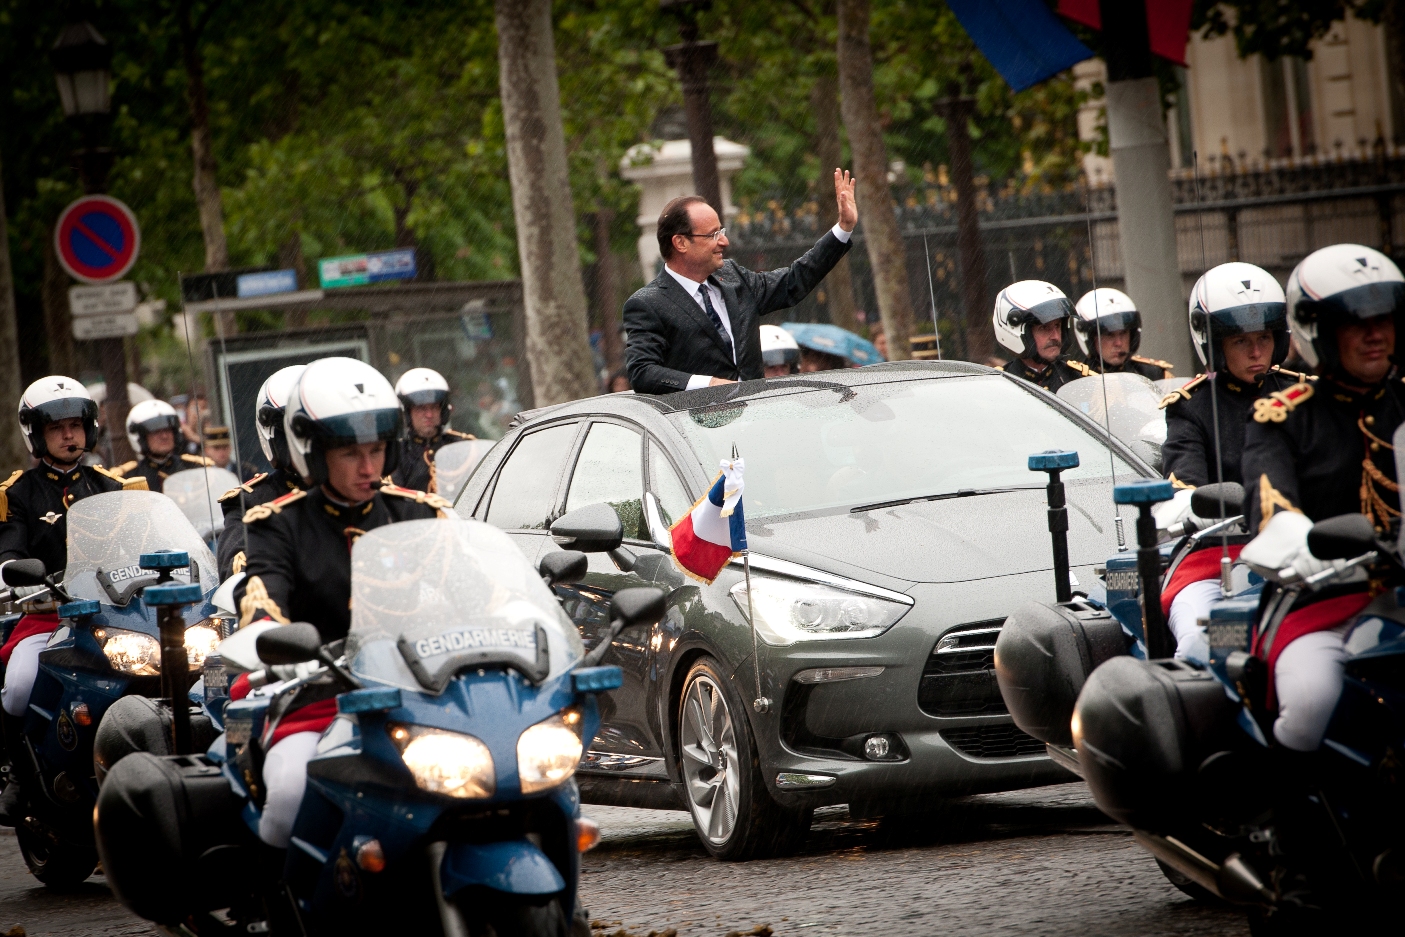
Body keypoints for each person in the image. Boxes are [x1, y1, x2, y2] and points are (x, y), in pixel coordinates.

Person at [230, 358, 452, 848]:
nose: (368, 467)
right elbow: (262, 597)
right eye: (351, 453)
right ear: (314, 453)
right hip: (321, 694)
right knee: (288, 796)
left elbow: (470, 585)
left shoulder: (418, 513)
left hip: (415, 692)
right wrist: (273, 633)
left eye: (376, 450)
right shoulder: (276, 523)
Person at [1242, 243, 1405, 754]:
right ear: (1318, 330)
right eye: (1356, 322)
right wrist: (1303, 544)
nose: (1375, 334)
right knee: (1312, 701)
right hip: (1326, 601)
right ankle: (1287, 823)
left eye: (1384, 318)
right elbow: (1271, 507)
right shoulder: (1283, 415)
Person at [0, 377, 143, 824]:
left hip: (112, 615)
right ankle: (17, 775)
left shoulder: (113, 487)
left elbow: (139, 547)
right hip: (49, 617)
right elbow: (9, 554)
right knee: (20, 683)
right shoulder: (16, 493)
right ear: (36, 433)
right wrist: (17, 576)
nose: (69, 435)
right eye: (57, 427)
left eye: (76, 425)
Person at [1157, 262, 1303, 660]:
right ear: (1214, 342)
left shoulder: (1302, 397)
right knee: (1199, 643)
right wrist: (1199, 502)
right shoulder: (1193, 407)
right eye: (1241, 340)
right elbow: (1183, 484)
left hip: (1302, 554)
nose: (1257, 351)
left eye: (1264, 337)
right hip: (1220, 556)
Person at [623, 169, 858, 394]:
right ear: (680, 243)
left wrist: (843, 230)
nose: (724, 241)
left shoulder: (733, 278)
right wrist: (708, 384)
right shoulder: (648, 305)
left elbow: (793, 282)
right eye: (713, 234)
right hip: (697, 430)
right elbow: (643, 372)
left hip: (753, 423)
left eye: (721, 231)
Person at [215, 365, 307, 580]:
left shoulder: (363, 490)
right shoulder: (252, 503)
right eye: (298, 434)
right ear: (276, 438)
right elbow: (238, 574)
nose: (310, 446)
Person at [390, 367, 475, 493]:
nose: (429, 414)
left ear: (443, 411)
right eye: (421, 408)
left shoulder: (462, 446)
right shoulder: (397, 454)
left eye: (434, 407)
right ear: (407, 413)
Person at [992, 280, 1082, 392]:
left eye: (1058, 326)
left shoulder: (1077, 380)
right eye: (1044, 328)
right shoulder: (998, 387)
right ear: (1018, 330)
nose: (1055, 336)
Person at [1070, 288, 1175, 380]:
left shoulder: (1153, 374)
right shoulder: (1075, 379)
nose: (1118, 343)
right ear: (1090, 338)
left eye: (1123, 333)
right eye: (1109, 335)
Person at [116, 399, 214, 492]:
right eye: (156, 431)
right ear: (141, 437)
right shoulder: (127, 477)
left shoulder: (195, 467)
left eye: (168, 430)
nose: (164, 436)